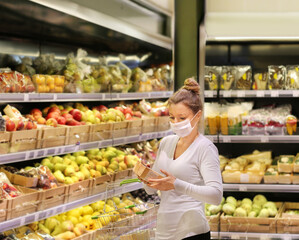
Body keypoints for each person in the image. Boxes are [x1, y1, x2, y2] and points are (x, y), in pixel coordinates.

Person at [142, 78, 223, 240]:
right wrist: (145, 177)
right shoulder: (166, 143)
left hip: (192, 233)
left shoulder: (205, 148)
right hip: (164, 232)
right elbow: (151, 190)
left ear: (197, 115)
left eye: (182, 118)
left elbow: (216, 195)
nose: (175, 123)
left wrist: (176, 184)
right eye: (172, 117)